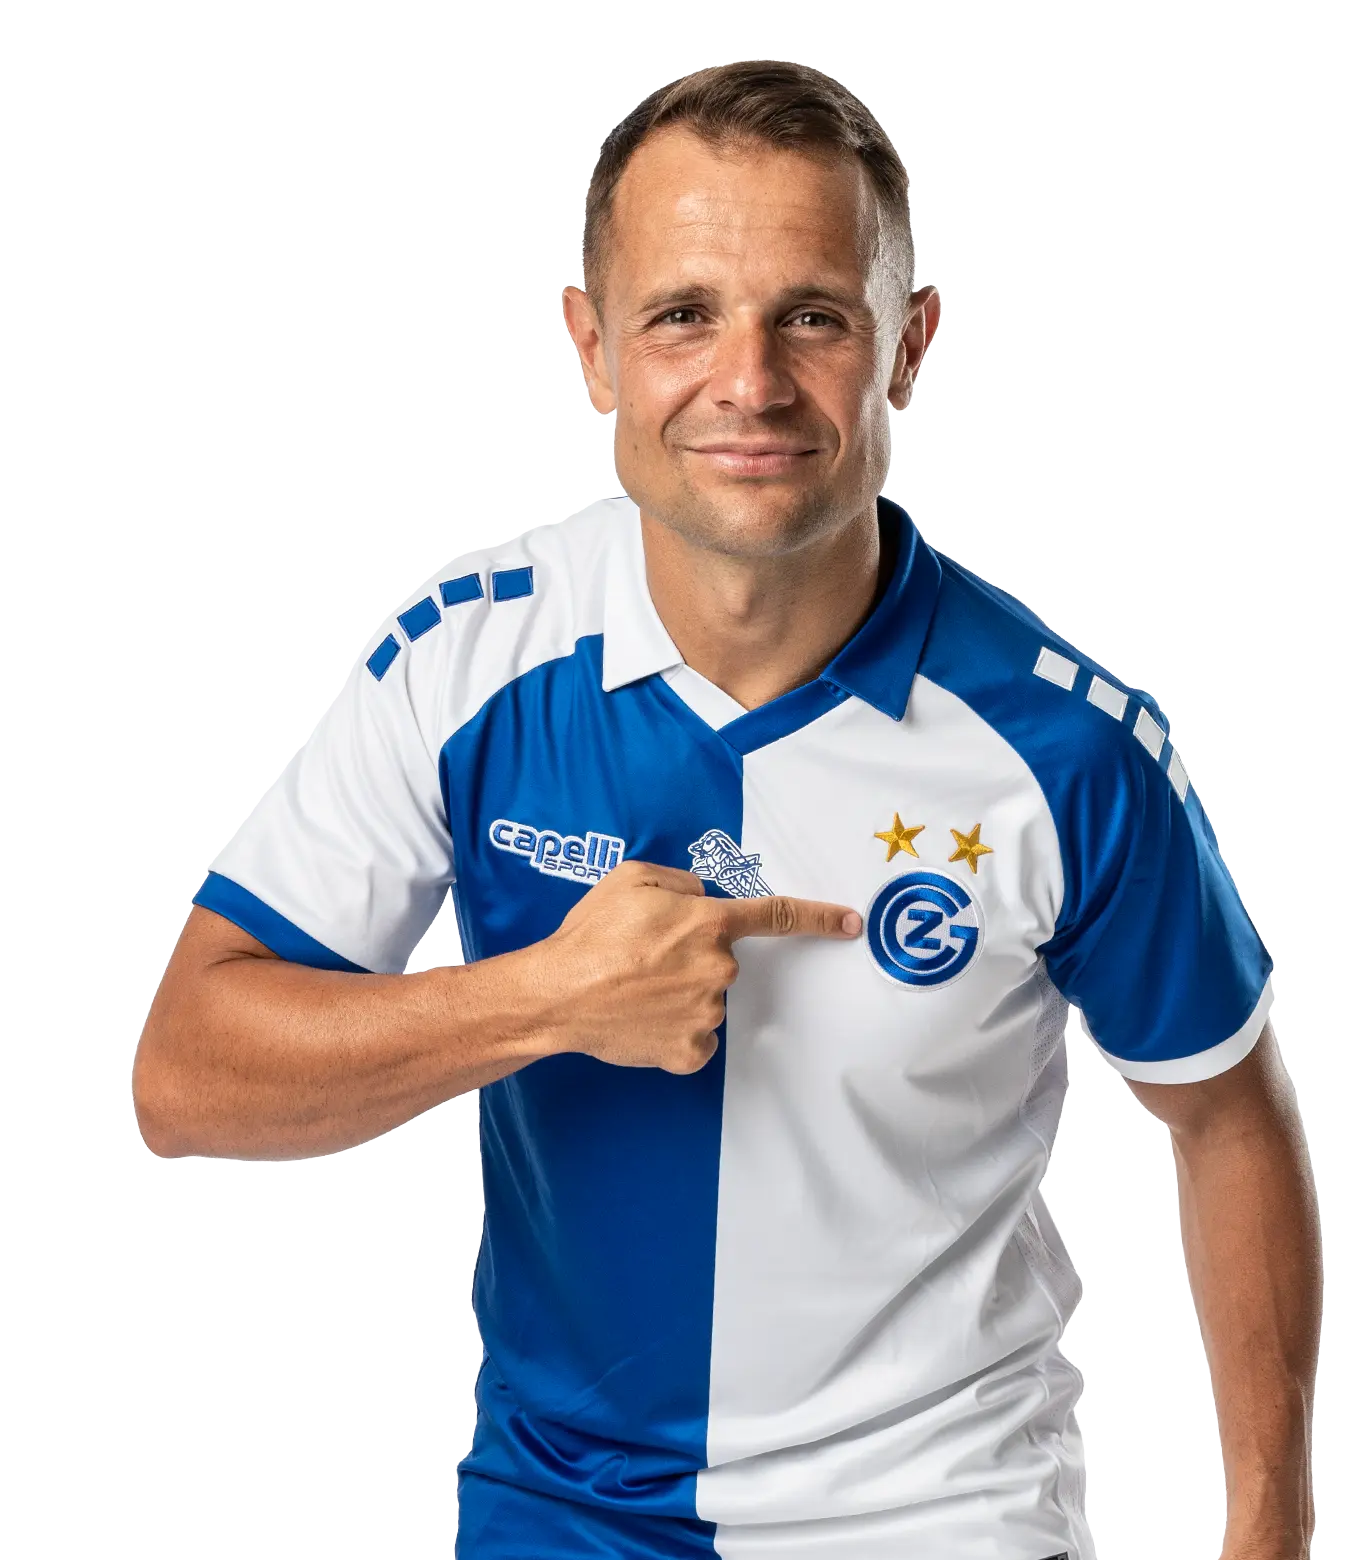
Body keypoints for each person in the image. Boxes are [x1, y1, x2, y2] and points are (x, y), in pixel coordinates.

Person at [133, 57, 1321, 1560]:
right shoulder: (463, 661)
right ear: (591, 347)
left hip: (936, 1516)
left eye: (812, 317)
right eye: (682, 315)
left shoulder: (1069, 748)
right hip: (561, 1515)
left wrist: (1270, 1531)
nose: (748, 384)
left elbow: (1223, 1116)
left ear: (909, 346)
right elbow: (186, 1076)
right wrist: (546, 998)